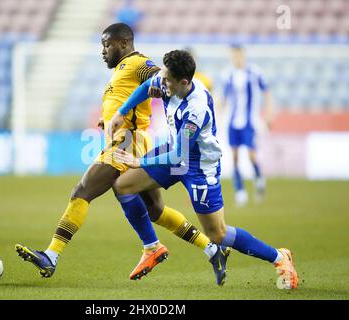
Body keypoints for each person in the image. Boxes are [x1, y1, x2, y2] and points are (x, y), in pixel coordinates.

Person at [15, 23, 229, 284]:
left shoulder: (137, 63)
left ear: (124, 44)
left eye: (107, 45)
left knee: (82, 191)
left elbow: (156, 75)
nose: (103, 51)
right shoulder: (120, 70)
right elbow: (127, 99)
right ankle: (210, 249)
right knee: (155, 211)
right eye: (102, 45)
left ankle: (52, 254)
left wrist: (159, 87)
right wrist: (109, 119)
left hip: (128, 143)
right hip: (128, 140)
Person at [109, 50, 298, 290]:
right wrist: (122, 111)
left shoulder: (195, 109)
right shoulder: (170, 80)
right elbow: (148, 85)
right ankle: (152, 247)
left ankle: (280, 257)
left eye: (167, 80)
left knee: (218, 234)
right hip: (175, 151)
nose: (162, 82)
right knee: (123, 186)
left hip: (199, 166)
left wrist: (140, 162)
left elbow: (180, 155)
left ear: (184, 82)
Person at [221, 44, 274, 206]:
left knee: (251, 155)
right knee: (235, 157)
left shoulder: (254, 72)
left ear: (243, 56)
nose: (235, 59)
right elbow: (224, 98)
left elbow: (267, 92)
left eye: (238, 55)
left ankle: (259, 178)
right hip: (232, 121)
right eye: (233, 56)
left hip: (249, 121)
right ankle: (240, 191)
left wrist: (269, 114)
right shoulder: (227, 74)